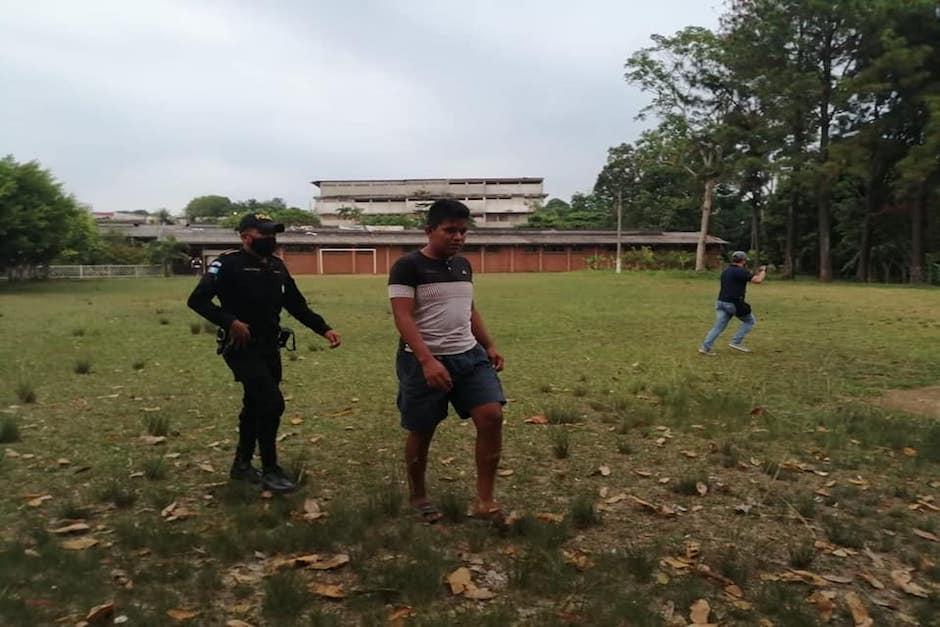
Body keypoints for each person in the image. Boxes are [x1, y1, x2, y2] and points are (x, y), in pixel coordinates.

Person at [187, 213, 341, 492]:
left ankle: (241, 465)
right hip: (241, 347)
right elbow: (197, 301)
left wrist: (323, 328)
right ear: (245, 236)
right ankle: (270, 468)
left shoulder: (277, 267)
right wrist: (230, 322)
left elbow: (296, 305)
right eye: (264, 235)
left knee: (254, 405)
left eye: (273, 234)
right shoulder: (227, 264)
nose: (270, 240)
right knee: (272, 403)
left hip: (270, 346)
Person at [388, 199, 507, 524]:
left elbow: (469, 309)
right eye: (450, 230)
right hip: (423, 360)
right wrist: (427, 361)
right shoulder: (407, 266)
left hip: (469, 355)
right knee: (422, 429)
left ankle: (485, 501)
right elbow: (402, 316)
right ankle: (418, 496)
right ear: (430, 231)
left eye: (463, 231)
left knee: (491, 415)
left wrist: (488, 344)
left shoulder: (463, 265)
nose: (457, 237)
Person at [699, 250, 766, 356]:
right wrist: (762, 271)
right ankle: (736, 342)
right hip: (733, 303)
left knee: (718, 327)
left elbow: (745, 277)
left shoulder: (726, 271)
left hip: (721, 302)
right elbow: (758, 280)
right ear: (743, 261)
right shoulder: (741, 271)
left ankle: (705, 347)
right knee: (750, 321)